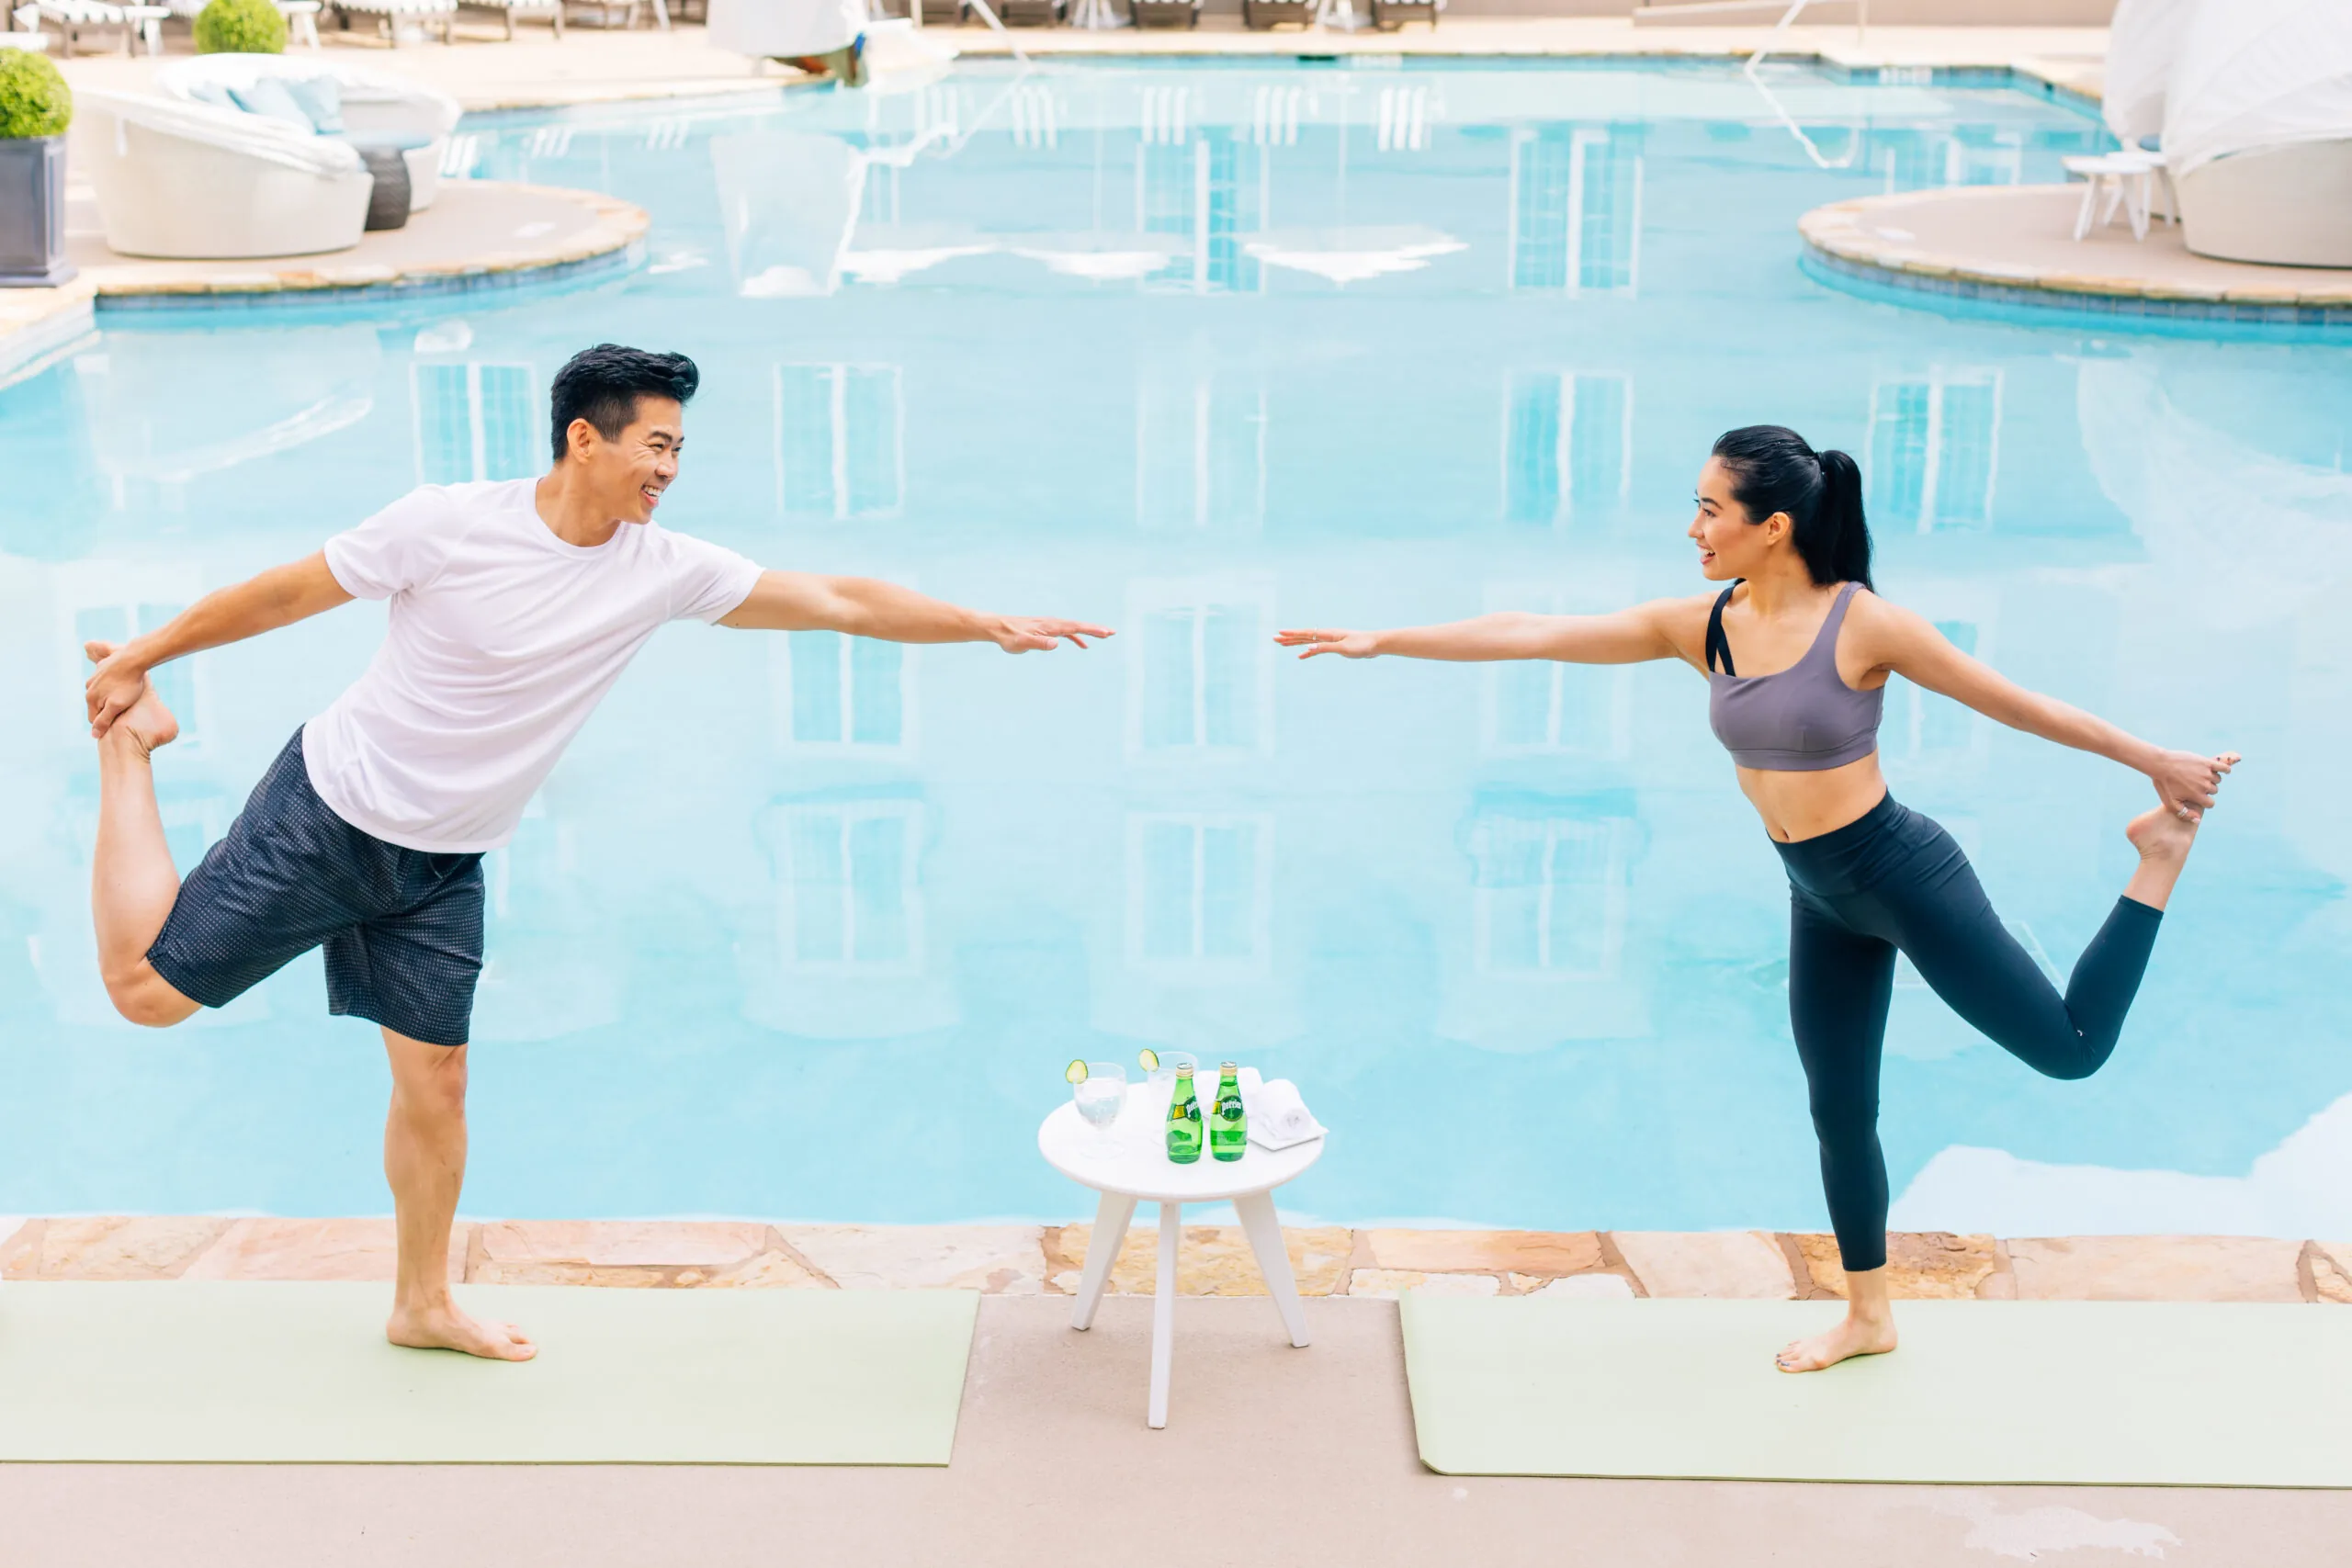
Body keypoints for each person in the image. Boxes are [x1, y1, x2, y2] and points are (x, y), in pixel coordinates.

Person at [82, 344, 1111, 1362]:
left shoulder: (662, 571)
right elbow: (284, 593)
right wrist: (143, 656)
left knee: (437, 1082)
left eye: (678, 451)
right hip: (330, 811)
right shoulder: (447, 523)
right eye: (656, 445)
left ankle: (422, 1303)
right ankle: (134, 749)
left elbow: (838, 601)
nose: (669, 468)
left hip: (441, 864)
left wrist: (982, 625)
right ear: (585, 438)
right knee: (146, 992)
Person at [1275, 424, 2238, 1373]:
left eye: (1708, 509)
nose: (1692, 529)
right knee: (1838, 1109)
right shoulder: (1702, 626)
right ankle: (1868, 1316)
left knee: (2069, 1053)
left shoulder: (1862, 623)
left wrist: (2152, 761)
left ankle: (2156, 856)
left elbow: (2015, 703)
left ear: (1771, 526)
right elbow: (1531, 631)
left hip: (1902, 875)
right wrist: (1386, 640)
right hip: (1819, 896)